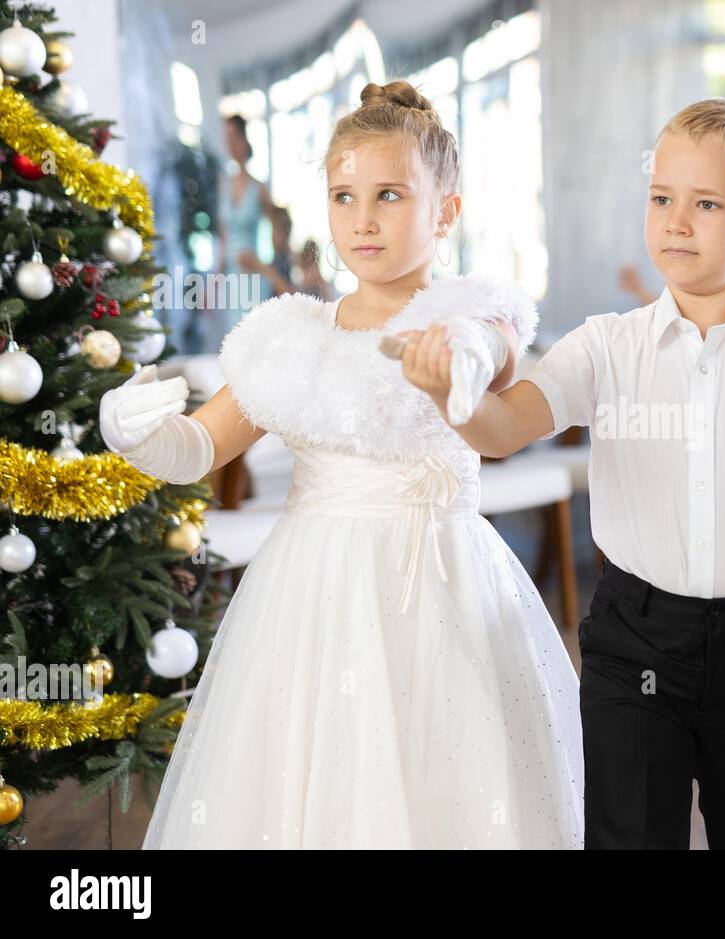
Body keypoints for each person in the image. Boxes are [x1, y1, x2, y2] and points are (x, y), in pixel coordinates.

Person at [102, 80, 583, 848]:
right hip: (311, 590)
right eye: (343, 196)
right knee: (310, 773)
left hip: (447, 583)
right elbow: (201, 445)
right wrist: (138, 436)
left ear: (445, 211)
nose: (363, 219)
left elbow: (491, 360)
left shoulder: (473, 313)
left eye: (390, 195)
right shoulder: (289, 335)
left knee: (454, 775)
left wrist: (459, 356)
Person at [408, 98, 725, 848]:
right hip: (636, 642)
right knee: (630, 833)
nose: (676, 221)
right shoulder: (605, 347)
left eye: (706, 203)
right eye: (661, 199)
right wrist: (448, 393)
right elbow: (503, 429)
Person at [214, 115, 275, 348]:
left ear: (242, 139)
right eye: (225, 139)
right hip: (232, 274)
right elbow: (223, 238)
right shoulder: (223, 183)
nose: (229, 144)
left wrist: (269, 265)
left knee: (255, 341)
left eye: (232, 137)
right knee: (234, 343)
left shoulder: (259, 188)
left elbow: (277, 234)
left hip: (253, 273)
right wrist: (214, 283)